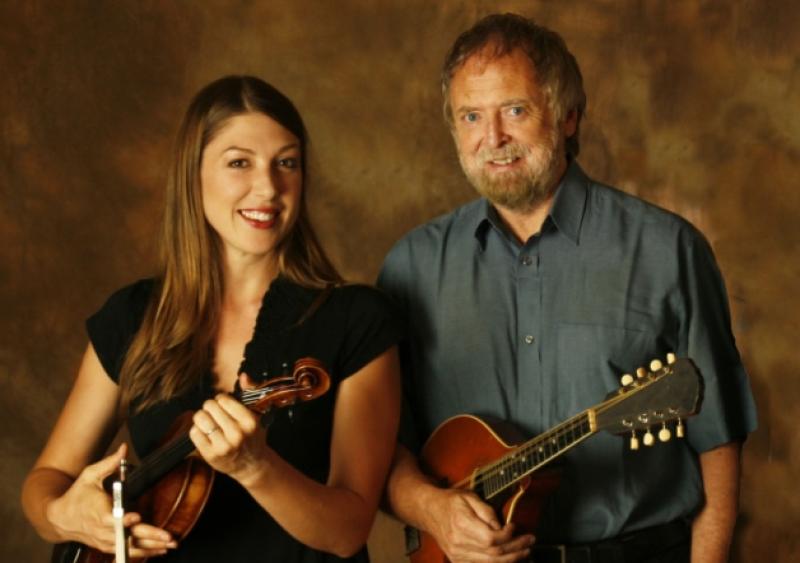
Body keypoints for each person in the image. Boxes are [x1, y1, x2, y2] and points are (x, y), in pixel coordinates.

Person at [378, 13, 756, 563]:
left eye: (515, 110)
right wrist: (430, 510)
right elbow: (378, 447)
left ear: (568, 116)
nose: (494, 138)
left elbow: (718, 439)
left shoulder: (667, 250)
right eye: (470, 116)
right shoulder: (409, 267)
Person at [21, 75, 402, 563]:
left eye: (286, 163)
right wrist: (65, 515)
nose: (267, 187)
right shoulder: (134, 316)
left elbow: (348, 530)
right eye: (239, 163)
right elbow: (43, 482)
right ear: (192, 174)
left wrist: (255, 466)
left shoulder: (356, 320)